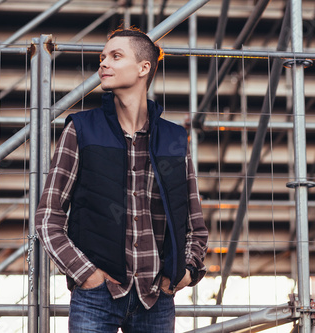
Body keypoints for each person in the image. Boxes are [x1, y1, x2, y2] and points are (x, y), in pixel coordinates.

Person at [35, 28, 208, 333]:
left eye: (116, 56)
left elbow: (194, 223)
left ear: (144, 68)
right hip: (96, 295)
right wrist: (86, 274)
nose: (103, 64)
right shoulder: (80, 130)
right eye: (102, 57)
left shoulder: (173, 139)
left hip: (157, 298)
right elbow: (48, 217)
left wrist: (187, 272)